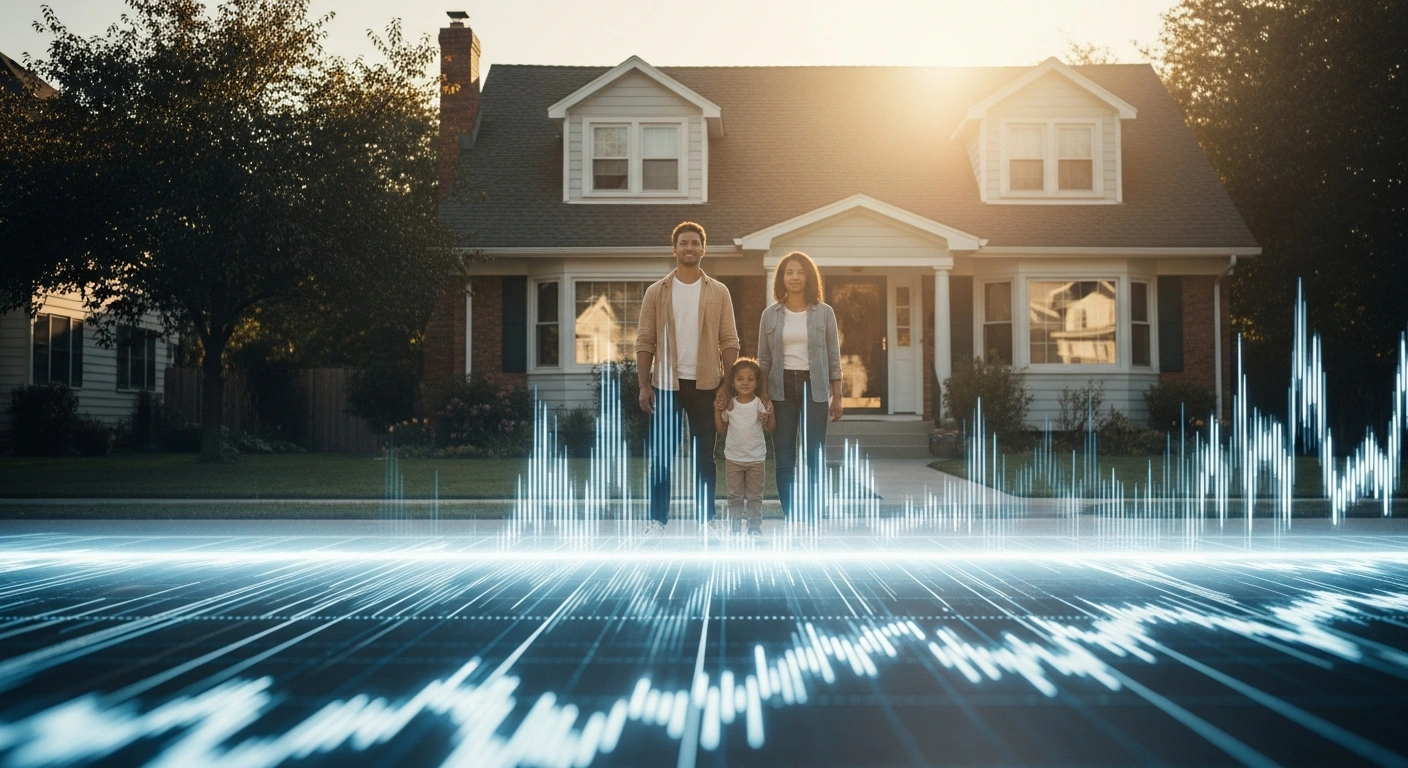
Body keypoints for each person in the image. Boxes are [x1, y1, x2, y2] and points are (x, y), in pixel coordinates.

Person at [636, 221, 740, 535]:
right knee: (662, 456)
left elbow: (730, 341)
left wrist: (726, 383)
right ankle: (657, 520)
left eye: (695, 243)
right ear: (675, 249)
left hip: (707, 384)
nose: (689, 248)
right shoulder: (656, 291)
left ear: (703, 249)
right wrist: (644, 384)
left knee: (705, 456)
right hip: (665, 385)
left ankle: (706, 519)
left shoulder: (719, 292)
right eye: (684, 243)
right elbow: (644, 341)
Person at [757, 251, 843, 520]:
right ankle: (792, 515)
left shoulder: (824, 313)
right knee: (784, 458)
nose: (795, 277)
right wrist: (762, 396)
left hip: (814, 388)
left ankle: (813, 515)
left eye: (800, 272)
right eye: (789, 273)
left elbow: (833, 357)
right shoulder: (769, 315)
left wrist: (837, 397)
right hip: (780, 389)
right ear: (781, 279)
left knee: (814, 455)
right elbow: (763, 359)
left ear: (809, 277)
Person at [714, 358, 775, 536]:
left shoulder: (761, 403)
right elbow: (720, 428)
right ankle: (734, 526)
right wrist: (716, 410)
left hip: (756, 458)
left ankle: (754, 527)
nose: (745, 383)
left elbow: (771, 428)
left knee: (755, 497)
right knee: (735, 496)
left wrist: (768, 417)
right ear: (732, 382)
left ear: (757, 382)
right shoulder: (730, 404)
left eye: (750, 379)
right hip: (734, 458)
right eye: (740, 379)